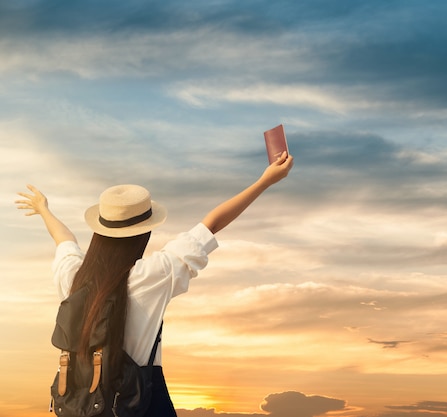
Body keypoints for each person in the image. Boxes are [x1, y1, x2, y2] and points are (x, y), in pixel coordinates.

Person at [15, 152, 294, 416]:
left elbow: (65, 240)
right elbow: (211, 224)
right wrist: (264, 181)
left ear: (100, 232)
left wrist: (43, 210)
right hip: (139, 406)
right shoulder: (150, 276)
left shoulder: (73, 277)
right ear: (143, 233)